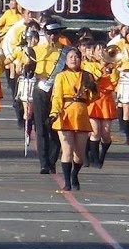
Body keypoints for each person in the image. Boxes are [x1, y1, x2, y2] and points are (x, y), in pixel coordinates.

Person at [49, 46, 97, 191]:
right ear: (66, 60)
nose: (73, 59)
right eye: (70, 57)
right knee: (67, 150)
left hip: (81, 114)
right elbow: (57, 97)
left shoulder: (87, 76)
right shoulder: (61, 76)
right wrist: (54, 112)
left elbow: (93, 98)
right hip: (65, 114)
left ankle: (75, 174)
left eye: (76, 57)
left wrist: (93, 89)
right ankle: (67, 182)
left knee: (79, 155)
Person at [31, 21, 66, 174]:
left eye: (56, 33)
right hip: (40, 89)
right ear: (45, 34)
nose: (53, 36)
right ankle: (44, 163)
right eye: (50, 33)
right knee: (41, 127)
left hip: (58, 90)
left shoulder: (66, 51)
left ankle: (52, 161)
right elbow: (27, 70)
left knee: (56, 126)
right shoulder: (36, 50)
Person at [82, 41, 120, 168]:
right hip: (94, 99)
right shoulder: (88, 65)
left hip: (106, 100)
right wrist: (102, 67)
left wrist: (112, 70)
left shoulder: (112, 66)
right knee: (95, 131)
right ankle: (95, 159)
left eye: (103, 50)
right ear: (93, 53)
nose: (101, 53)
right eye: (98, 50)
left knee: (106, 133)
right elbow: (92, 80)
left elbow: (114, 82)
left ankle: (102, 153)